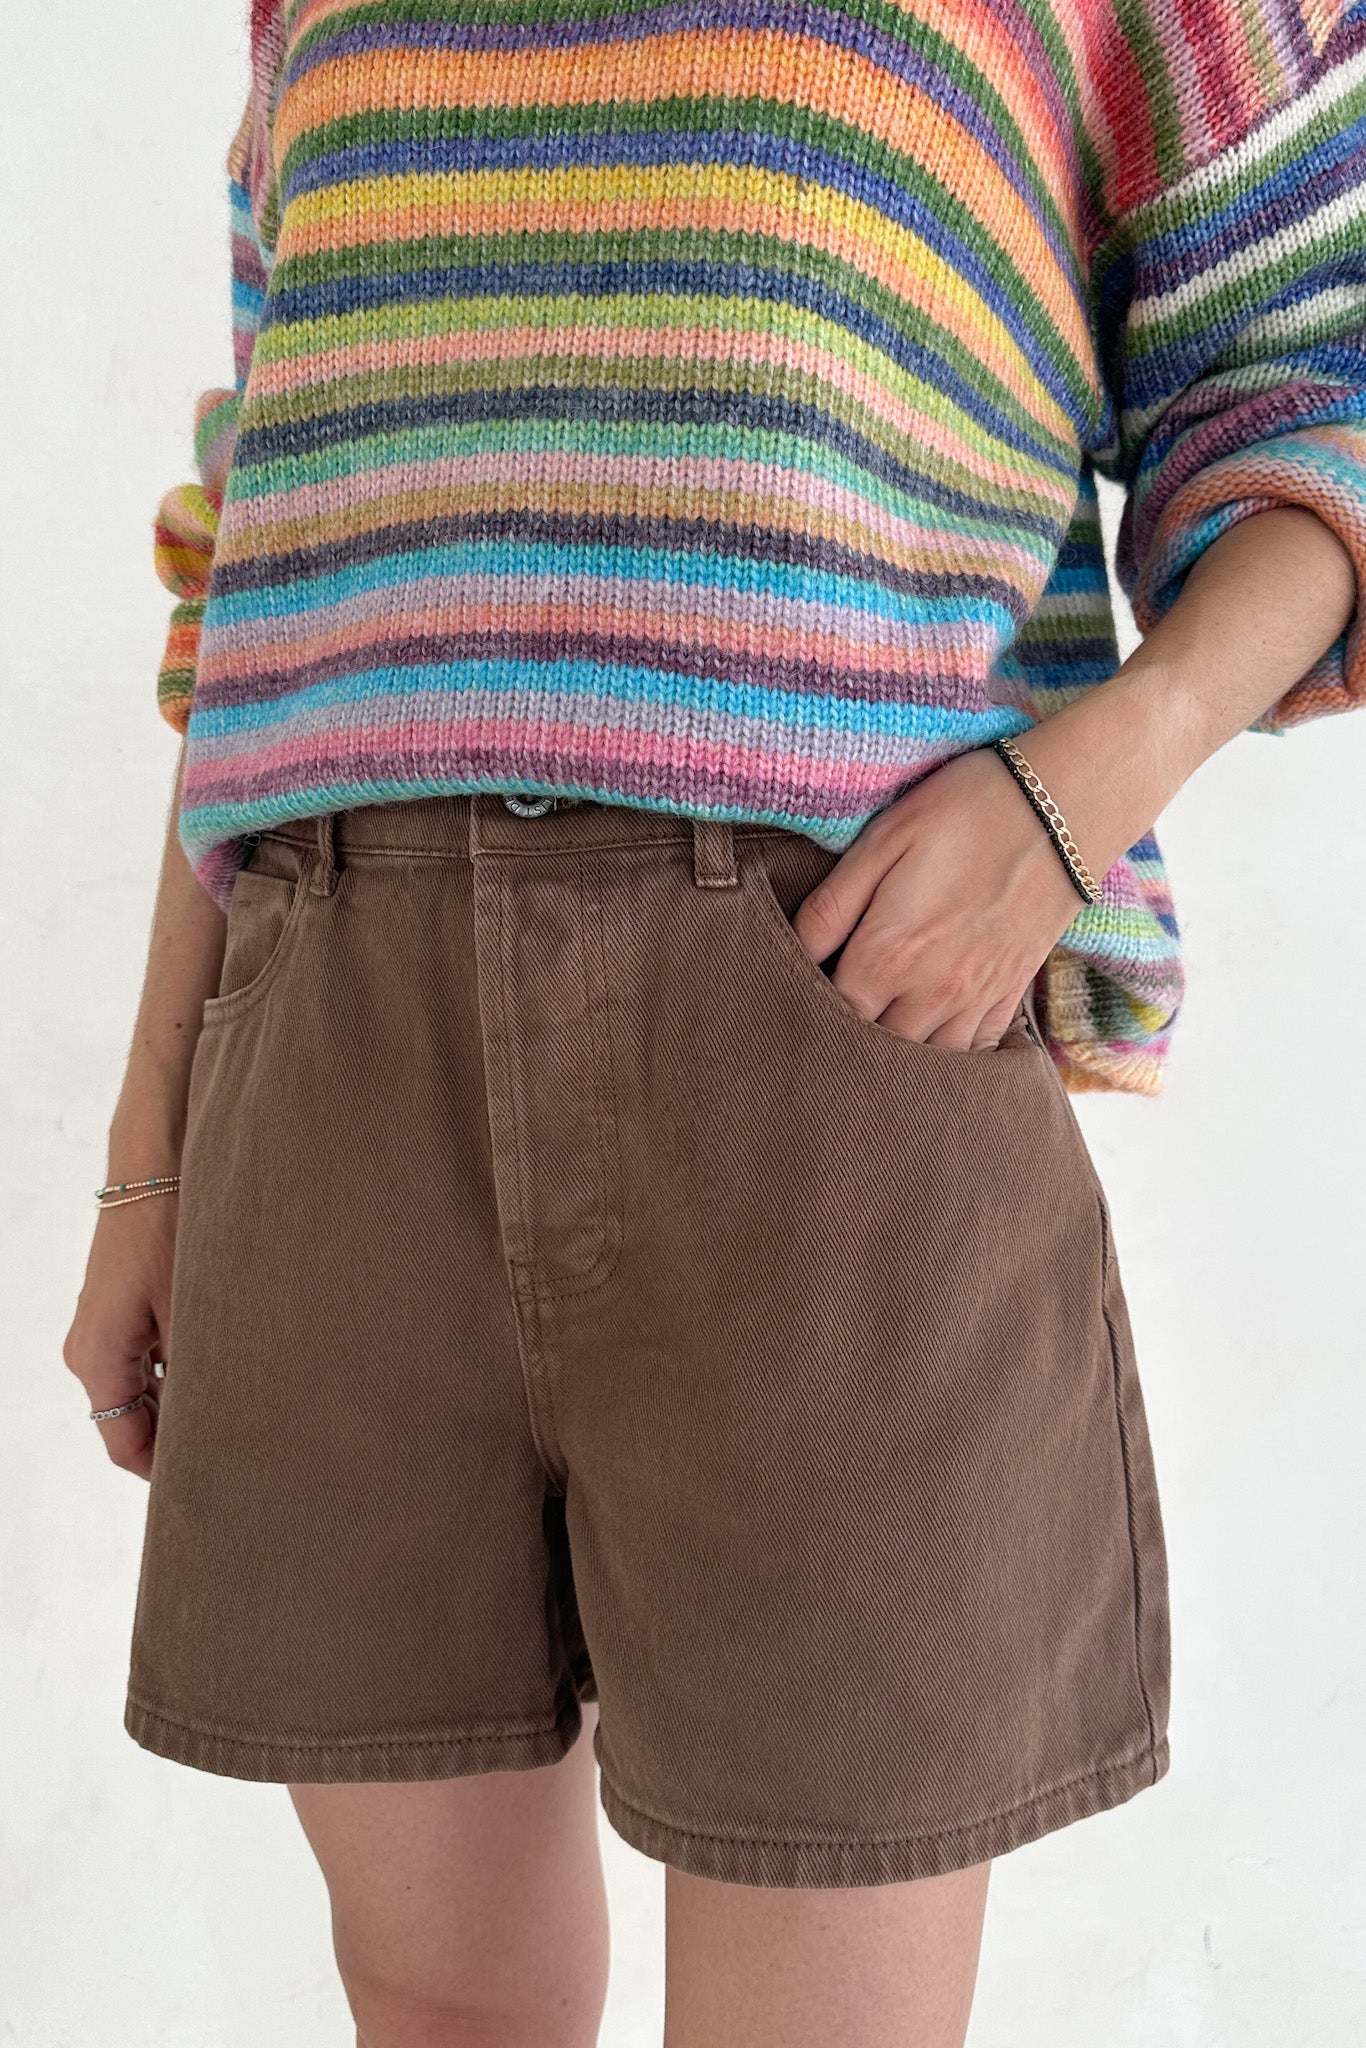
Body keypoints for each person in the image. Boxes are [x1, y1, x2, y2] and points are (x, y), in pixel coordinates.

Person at [63, 1, 1366, 2042]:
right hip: (328, 1050)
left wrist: (1088, 778)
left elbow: (1319, 388)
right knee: (431, 2001)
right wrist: (144, 1157)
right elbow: (263, 559)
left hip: (828, 1052)